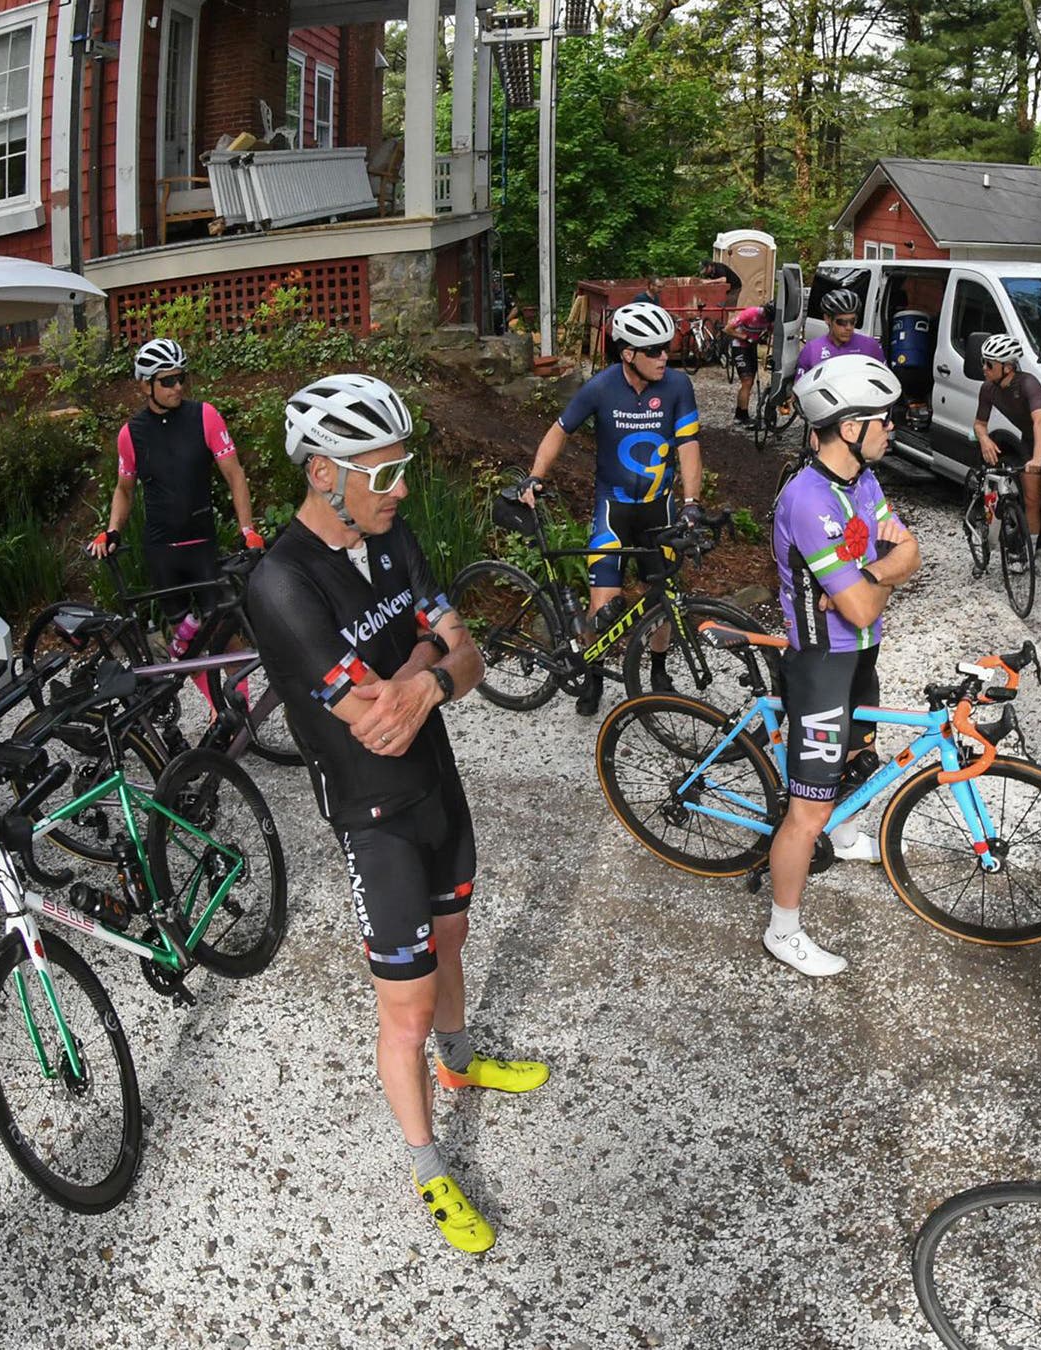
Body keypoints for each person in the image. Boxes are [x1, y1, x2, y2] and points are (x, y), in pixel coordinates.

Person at [244, 374, 547, 1256]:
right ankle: (427, 1166)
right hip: (373, 814)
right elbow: (375, 720)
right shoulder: (280, 583)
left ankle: (461, 1063)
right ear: (324, 473)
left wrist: (424, 675)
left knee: (454, 937)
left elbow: (472, 655)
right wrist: (427, 660)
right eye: (384, 474)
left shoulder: (393, 535)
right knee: (405, 1009)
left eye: (402, 468)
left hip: (438, 785)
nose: (403, 488)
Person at [766, 355, 920, 977]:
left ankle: (847, 827)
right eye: (883, 418)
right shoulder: (808, 500)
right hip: (821, 663)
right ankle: (783, 929)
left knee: (860, 755)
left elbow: (910, 552)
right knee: (807, 812)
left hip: (861, 653)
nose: (892, 427)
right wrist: (873, 583)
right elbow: (857, 607)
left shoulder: (864, 482)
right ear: (850, 427)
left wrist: (873, 575)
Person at [521, 301, 705, 716]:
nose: (664, 356)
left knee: (662, 602)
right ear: (628, 353)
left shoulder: (677, 387)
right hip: (613, 512)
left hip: (659, 511)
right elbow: (559, 430)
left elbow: (689, 446)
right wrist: (535, 475)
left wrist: (692, 503)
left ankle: (658, 670)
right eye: (654, 350)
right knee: (602, 606)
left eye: (666, 347)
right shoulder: (601, 387)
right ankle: (593, 676)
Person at [90, 338, 265, 642]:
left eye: (181, 378)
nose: (178, 387)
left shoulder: (205, 416)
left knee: (227, 639)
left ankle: (230, 677)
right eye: (168, 381)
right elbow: (124, 490)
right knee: (184, 643)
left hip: (202, 545)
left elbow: (235, 475)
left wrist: (247, 528)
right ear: (146, 386)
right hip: (161, 552)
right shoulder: (131, 433)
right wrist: (113, 530)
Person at [972, 333, 1041, 588]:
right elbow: (979, 423)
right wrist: (984, 439)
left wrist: (1038, 458)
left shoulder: (1028, 383)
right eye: (983, 362)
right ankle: (1029, 552)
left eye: (989, 364)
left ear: (1007, 367)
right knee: (1031, 500)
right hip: (1028, 439)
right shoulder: (988, 389)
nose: (984, 368)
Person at [795, 289, 887, 373]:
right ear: (827, 319)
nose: (849, 327)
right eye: (842, 322)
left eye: (852, 321)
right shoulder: (811, 349)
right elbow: (801, 385)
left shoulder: (871, 346)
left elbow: (885, 379)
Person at [724, 300, 775, 426]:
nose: (766, 319)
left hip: (752, 348)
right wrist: (745, 337)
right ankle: (743, 416)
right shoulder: (750, 313)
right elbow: (727, 329)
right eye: (766, 316)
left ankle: (740, 414)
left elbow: (770, 332)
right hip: (739, 347)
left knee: (750, 383)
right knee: (746, 381)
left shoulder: (770, 319)